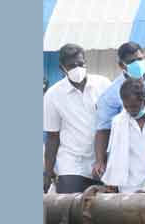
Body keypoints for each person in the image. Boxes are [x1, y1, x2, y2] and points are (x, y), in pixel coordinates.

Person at [43, 43, 112, 194]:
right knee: (68, 208)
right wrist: (47, 174)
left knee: (100, 211)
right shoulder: (53, 95)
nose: (77, 68)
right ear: (62, 68)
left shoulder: (103, 84)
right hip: (71, 162)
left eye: (80, 64)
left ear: (86, 62)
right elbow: (53, 137)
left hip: (102, 160)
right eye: (72, 65)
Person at [93, 42, 145, 180]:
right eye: (132, 61)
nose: (137, 63)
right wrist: (100, 161)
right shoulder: (111, 94)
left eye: (139, 59)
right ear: (122, 65)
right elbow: (103, 129)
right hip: (129, 151)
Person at [102, 78, 145, 192]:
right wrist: (111, 181)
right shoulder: (118, 121)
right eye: (126, 107)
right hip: (129, 185)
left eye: (134, 106)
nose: (131, 110)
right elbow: (114, 153)